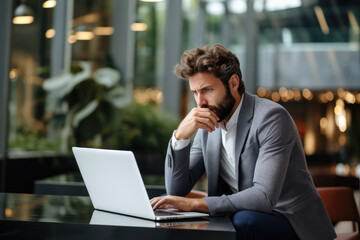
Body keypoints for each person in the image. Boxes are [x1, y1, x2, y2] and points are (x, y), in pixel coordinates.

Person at [150, 44, 336, 240]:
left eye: (207, 90)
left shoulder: (271, 118)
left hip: (289, 218)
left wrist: (196, 204)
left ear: (233, 82)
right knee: (165, 204)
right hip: (241, 212)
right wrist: (180, 137)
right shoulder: (207, 124)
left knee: (244, 220)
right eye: (195, 92)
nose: (200, 102)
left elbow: (263, 197)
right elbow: (176, 191)